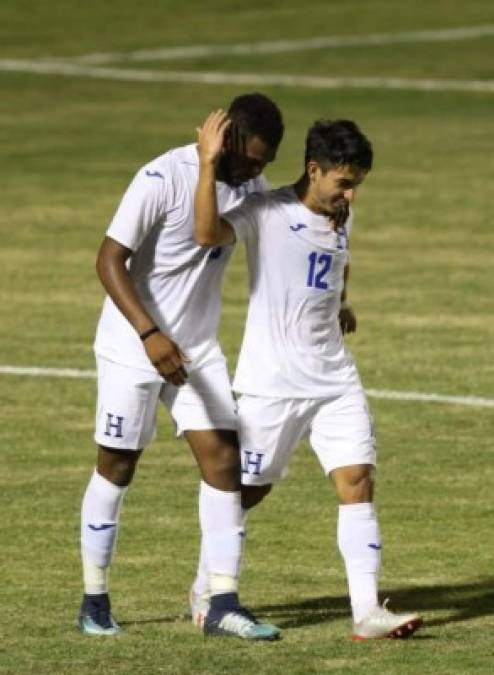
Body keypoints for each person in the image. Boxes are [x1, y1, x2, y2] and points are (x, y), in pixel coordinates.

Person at [191, 111, 423, 640]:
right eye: (344, 183)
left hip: (334, 375)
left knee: (357, 479)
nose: (351, 195)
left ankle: (366, 612)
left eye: (357, 185)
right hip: (273, 382)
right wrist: (207, 165)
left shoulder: (342, 212)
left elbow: (336, 261)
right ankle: (208, 585)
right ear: (313, 170)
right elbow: (206, 233)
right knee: (247, 491)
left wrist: (341, 302)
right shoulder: (265, 211)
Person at [79, 93, 284, 641]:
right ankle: (94, 599)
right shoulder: (161, 176)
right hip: (133, 347)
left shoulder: (249, 188)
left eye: (266, 164)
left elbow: (213, 232)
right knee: (117, 466)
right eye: (252, 159)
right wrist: (149, 334)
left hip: (196, 350)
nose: (257, 172)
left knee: (224, 461)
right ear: (229, 141)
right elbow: (108, 259)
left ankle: (221, 602)